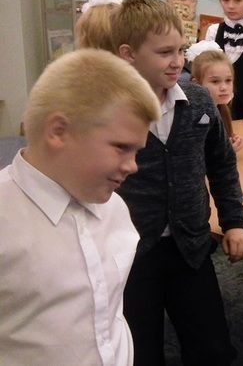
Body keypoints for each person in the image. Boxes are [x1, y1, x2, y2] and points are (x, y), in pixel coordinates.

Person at [111, 0, 243, 366]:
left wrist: (234, 222)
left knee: (213, 350)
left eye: (180, 50)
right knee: (139, 352)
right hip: (131, 253)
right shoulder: (109, 109)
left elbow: (222, 164)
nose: (177, 61)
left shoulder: (199, 102)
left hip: (190, 246)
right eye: (164, 53)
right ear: (128, 54)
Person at [0, 49, 160, 365]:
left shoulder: (115, 209)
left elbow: (109, 313)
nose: (133, 166)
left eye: (137, 152)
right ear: (58, 131)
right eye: (121, 147)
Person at [187, 40, 243, 152]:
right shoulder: (200, 117)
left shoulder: (219, 109)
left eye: (228, 80)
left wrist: (228, 142)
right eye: (215, 81)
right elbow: (197, 154)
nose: (224, 87)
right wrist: (226, 152)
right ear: (196, 84)